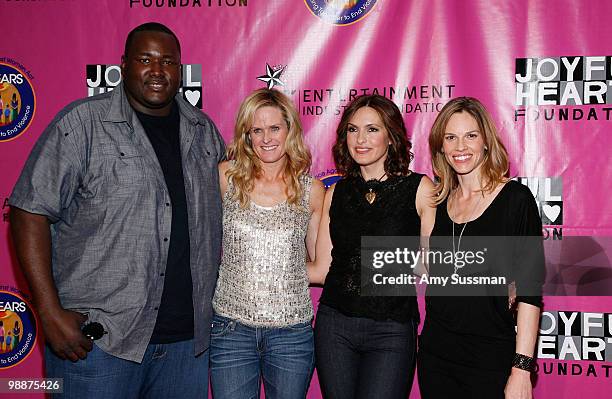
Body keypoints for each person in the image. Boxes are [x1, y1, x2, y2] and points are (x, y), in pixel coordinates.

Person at [9, 22, 225, 398]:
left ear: (181, 70)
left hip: (185, 348)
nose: (157, 71)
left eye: (168, 61)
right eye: (145, 59)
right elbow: (29, 211)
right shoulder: (81, 125)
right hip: (100, 345)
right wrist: (48, 313)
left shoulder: (204, 132)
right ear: (123, 65)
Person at [309, 94, 436, 399]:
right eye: (353, 130)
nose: (361, 139)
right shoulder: (335, 192)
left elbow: (432, 265)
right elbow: (321, 270)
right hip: (334, 326)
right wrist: (258, 266)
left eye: (372, 129)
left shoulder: (419, 188)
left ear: (391, 137)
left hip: (391, 329)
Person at [417, 97, 545, 399]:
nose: (460, 147)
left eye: (470, 135)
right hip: (436, 357)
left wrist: (522, 369)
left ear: (486, 142)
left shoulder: (516, 199)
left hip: (491, 359)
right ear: (441, 147)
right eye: (451, 137)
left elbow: (529, 290)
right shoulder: (437, 201)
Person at [209, 88, 325, 399]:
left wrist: (274, 272)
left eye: (274, 128)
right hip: (231, 330)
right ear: (247, 135)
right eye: (256, 130)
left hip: (291, 334)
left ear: (290, 130)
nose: (266, 138)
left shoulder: (311, 190)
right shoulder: (226, 178)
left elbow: (320, 266)